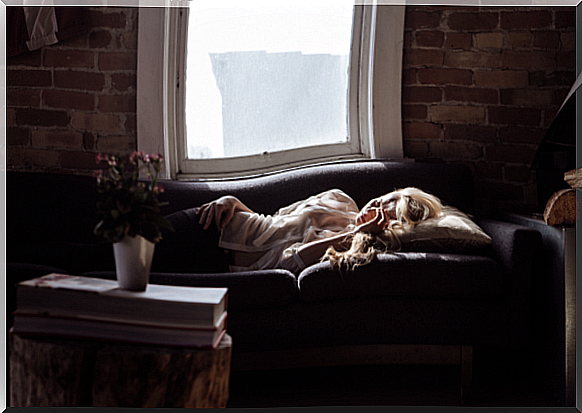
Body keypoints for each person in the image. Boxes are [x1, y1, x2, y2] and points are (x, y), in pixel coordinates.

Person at [196, 187, 443, 274]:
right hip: (216, 224)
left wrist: (358, 233)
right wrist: (233, 201)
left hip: (219, 268)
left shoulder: (353, 249)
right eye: (378, 200)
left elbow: (288, 263)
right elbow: (274, 220)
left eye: (381, 214)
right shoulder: (339, 198)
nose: (371, 207)